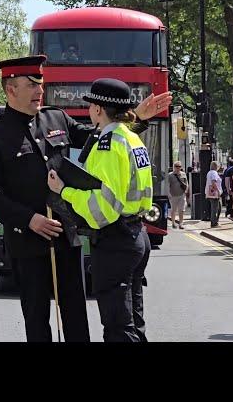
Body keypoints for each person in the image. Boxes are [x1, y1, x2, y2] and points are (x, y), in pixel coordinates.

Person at [0, 57, 171, 342]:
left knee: (76, 316)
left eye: (40, 84)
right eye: (31, 85)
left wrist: (135, 118)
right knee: (37, 318)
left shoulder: (56, 118)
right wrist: (30, 220)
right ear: (10, 89)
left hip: (67, 235)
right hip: (28, 240)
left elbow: (100, 138)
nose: (40, 91)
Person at [48, 78, 153, 342]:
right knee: (133, 323)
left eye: (91, 105)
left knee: (118, 327)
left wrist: (64, 190)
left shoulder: (108, 145)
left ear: (97, 108)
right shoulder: (131, 138)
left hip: (115, 241)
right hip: (137, 235)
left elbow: (104, 208)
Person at [166, 161, 189, 229]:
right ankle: (173, 223)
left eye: (179, 166)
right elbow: (167, 185)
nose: (178, 168)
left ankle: (181, 223)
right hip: (173, 195)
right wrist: (169, 194)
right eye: (176, 166)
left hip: (182, 195)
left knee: (181, 210)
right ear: (174, 167)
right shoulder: (170, 175)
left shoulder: (183, 174)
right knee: (174, 210)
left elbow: (186, 183)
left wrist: (186, 190)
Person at [205, 161, 222, 228]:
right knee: (215, 208)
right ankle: (214, 223)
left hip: (210, 192)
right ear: (216, 166)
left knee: (216, 207)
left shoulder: (209, 172)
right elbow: (213, 182)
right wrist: (218, 191)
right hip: (214, 193)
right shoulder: (214, 173)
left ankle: (215, 221)